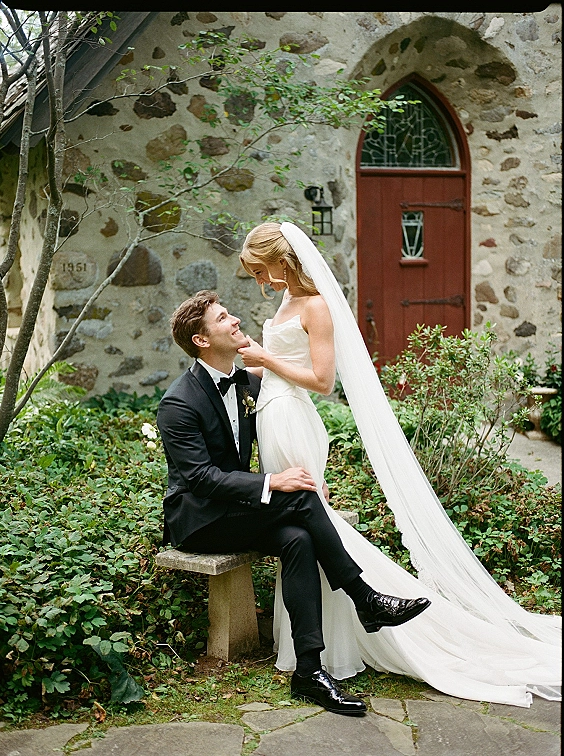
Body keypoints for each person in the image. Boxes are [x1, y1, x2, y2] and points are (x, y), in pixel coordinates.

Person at [237, 220, 561, 708]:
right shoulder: (284, 303)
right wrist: (242, 364)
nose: (262, 284)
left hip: (294, 421)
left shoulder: (317, 306)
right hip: (270, 416)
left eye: (263, 272)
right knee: (305, 521)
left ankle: (348, 628)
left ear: (284, 261)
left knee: (308, 510)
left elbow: (322, 381)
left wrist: (266, 358)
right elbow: (270, 366)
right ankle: (339, 626)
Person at [156, 290, 431, 716]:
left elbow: (290, 415)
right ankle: (365, 598)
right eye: (222, 318)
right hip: (200, 519)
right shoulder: (178, 402)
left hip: (239, 508)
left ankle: (309, 672)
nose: (235, 321)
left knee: (298, 539)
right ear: (202, 340)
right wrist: (274, 482)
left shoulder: (249, 383)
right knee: (301, 501)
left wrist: (297, 477)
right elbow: (199, 479)